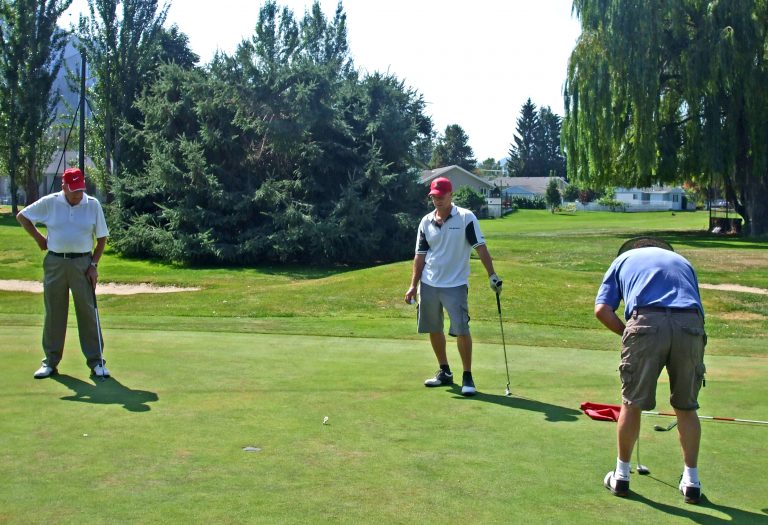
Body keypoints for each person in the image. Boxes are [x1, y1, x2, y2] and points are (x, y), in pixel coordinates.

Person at [595, 237, 706, 504]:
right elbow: (696, 308)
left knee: (631, 404)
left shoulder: (621, 260)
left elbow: (602, 310)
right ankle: (692, 481)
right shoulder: (683, 262)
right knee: (686, 406)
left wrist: (628, 334)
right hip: (690, 325)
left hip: (646, 321)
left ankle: (621, 475)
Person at [404, 177, 502, 396]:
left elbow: (481, 248)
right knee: (433, 327)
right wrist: (413, 285)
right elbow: (419, 257)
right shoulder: (426, 221)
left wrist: (492, 275)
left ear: (450, 195)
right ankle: (445, 371)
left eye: (441, 196)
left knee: (461, 330)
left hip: (455, 284)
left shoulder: (466, 217)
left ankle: (468, 376)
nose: (437, 200)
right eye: (433, 196)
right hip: (428, 283)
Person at [17, 167, 111, 379]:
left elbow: (102, 238)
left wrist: (94, 265)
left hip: (83, 264)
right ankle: (50, 362)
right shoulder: (51, 202)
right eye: (74, 190)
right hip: (55, 262)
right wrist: (40, 239)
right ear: (64, 187)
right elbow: (22, 216)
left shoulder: (92, 205)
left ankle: (97, 362)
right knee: (54, 312)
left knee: (87, 312)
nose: (78, 194)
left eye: (80, 189)